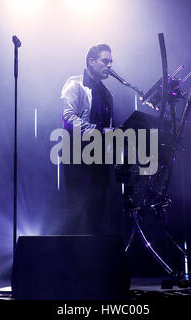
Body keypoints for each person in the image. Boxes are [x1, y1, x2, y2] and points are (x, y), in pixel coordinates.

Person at [59, 44, 114, 235]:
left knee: (97, 212)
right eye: (105, 61)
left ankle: (92, 260)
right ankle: (62, 259)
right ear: (91, 62)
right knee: (76, 208)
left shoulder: (107, 94)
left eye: (111, 62)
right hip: (75, 155)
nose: (109, 65)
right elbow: (69, 120)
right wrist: (100, 132)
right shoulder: (74, 84)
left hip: (99, 158)